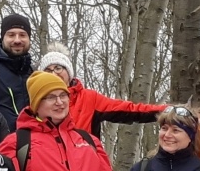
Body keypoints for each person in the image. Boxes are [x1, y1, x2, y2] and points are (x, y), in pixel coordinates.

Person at [37, 42, 165, 135]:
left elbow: (129, 110)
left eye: (58, 68)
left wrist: (167, 110)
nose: (54, 74)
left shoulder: (89, 98)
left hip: (85, 166)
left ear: (69, 72)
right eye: (48, 70)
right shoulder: (36, 103)